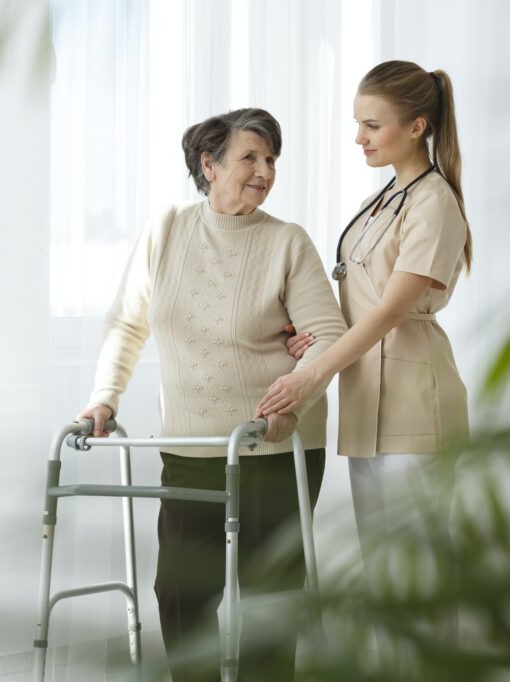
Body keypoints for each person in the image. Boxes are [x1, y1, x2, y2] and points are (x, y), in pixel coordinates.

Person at [77, 108, 346, 681]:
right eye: (250, 157)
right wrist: (105, 398)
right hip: (191, 448)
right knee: (179, 595)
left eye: (271, 159)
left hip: (273, 449)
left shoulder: (287, 242)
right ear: (210, 163)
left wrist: (289, 405)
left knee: (268, 600)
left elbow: (330, 337)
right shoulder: (168, 229)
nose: (265, 170)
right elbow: (128, 324)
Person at [256, 60, 471, 665]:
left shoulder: (435, 202)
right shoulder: (384, 200)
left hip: (414, 400)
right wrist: (315, 338)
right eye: (358, 124)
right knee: (384, 573)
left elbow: (389, 315)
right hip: (366, 399)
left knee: (419, 576)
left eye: (372, 125)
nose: (360, 138)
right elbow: (360, 300)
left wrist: (312, 374)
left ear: (417, 126)